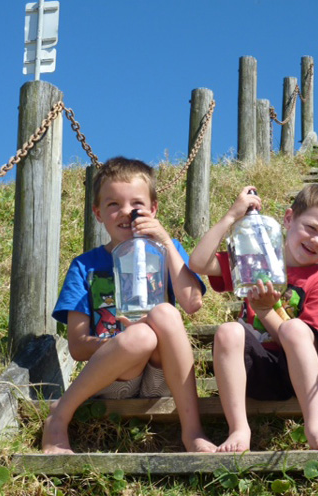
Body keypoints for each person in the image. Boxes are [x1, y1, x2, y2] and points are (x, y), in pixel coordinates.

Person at [42, 156, 216, 454]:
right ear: (98, 213)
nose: (127, 212)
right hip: (113, 377)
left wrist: (164, 243)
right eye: (113, 205)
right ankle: (59, 415)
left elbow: (192, 303)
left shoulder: (168, 250)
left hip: (162, 379)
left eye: (137, 204)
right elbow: (77, 347)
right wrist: (119, 342)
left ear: (153, 210)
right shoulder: (86, 266)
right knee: (141, 336)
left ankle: (192, 431)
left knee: (163, 313)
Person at [189, 183, 318, 453]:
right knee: (228, 331)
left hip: (312, 376)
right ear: (288, 219)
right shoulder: (256, 261)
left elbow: (312, 346)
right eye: (311, 228)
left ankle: (315, 426)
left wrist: (265, 311)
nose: (316, 241)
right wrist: (232, 216)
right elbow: (198, 262)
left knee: (295, 330)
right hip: (262, 372)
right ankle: (239, 428)